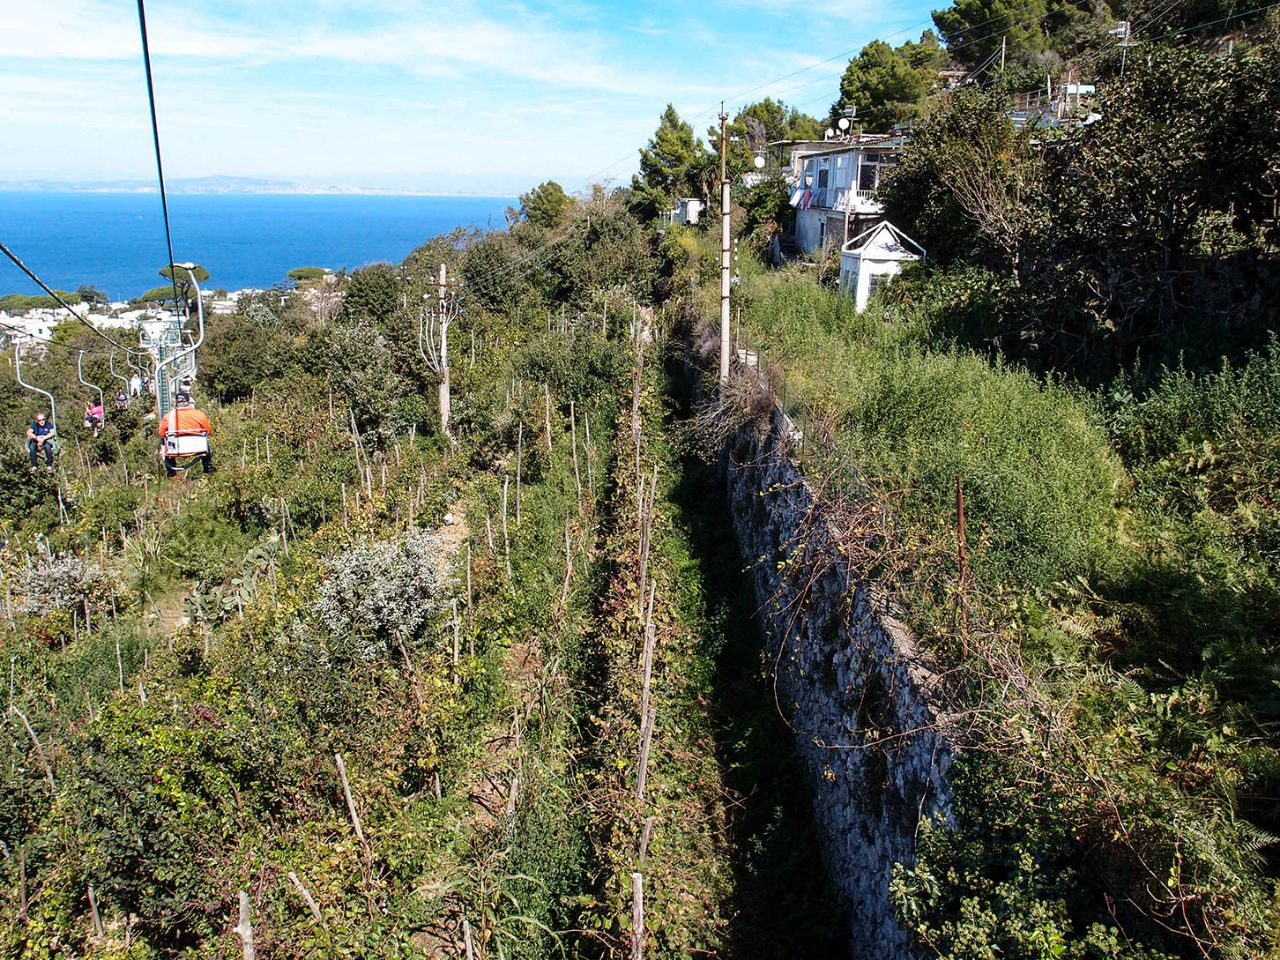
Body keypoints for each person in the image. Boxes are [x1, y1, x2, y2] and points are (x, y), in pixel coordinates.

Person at [157, 397, 214, 476]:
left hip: (176, 449)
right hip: (198, 447)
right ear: (189, 402)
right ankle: (208, 466)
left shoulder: (168, 416)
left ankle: (170, 471)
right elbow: (208, 431)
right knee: (204, 438)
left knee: (164, 440)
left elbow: (161, 434)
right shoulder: (199, 414)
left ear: (176, 403)